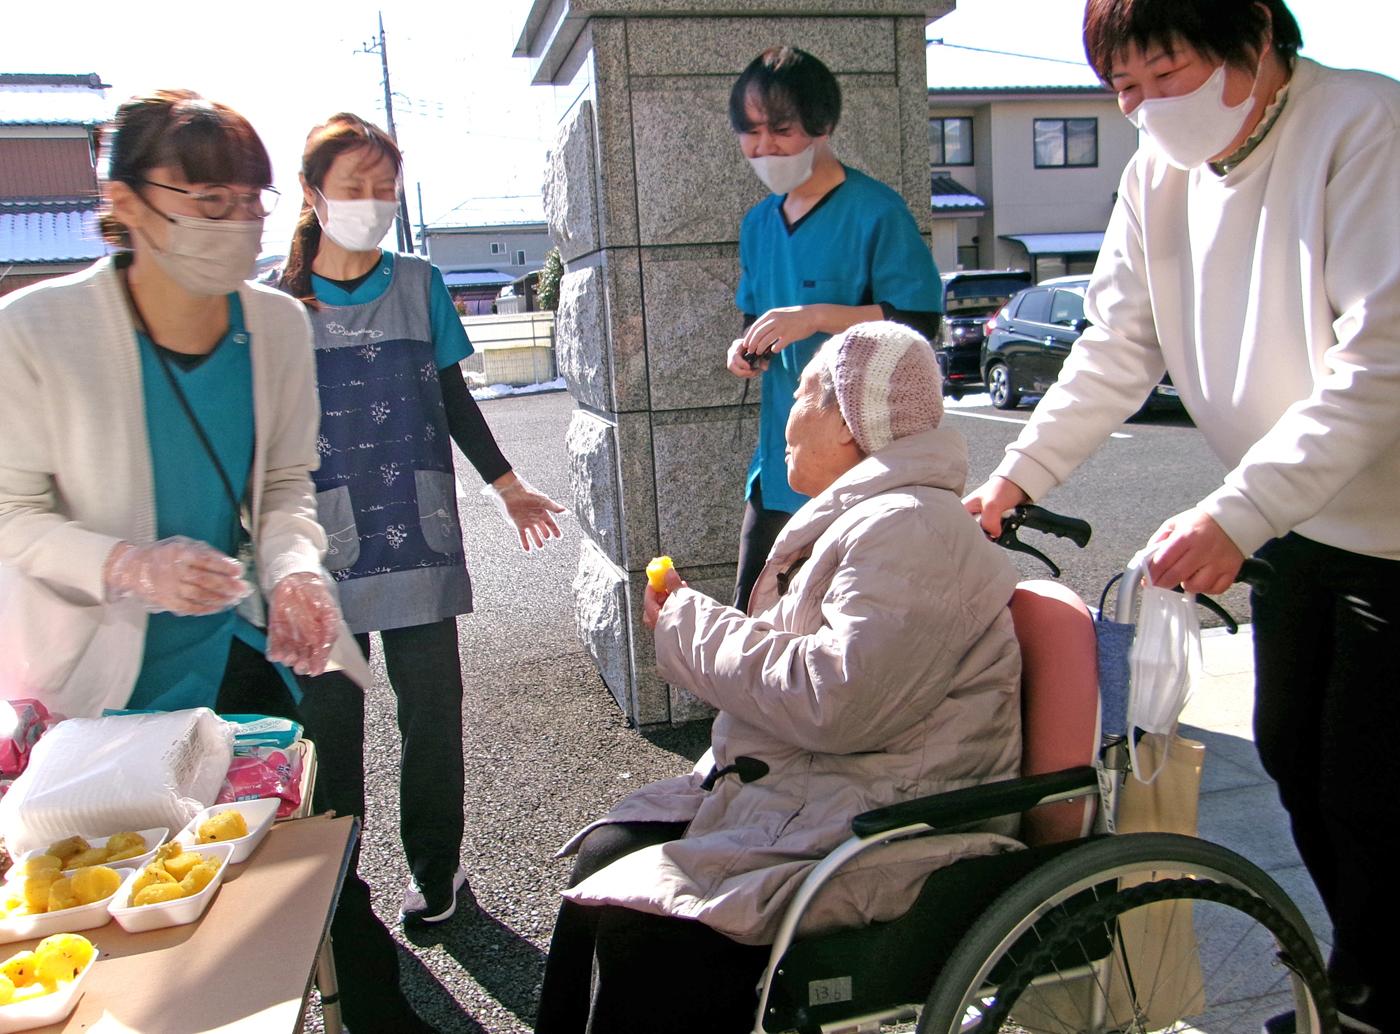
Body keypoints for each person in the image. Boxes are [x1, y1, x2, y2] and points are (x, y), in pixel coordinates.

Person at [962, 3, 1400, 1030]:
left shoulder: (1359, 125)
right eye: (1122, 90)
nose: (1145, 109)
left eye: (1164, 73)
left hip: (1386, 529)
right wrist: (1016, 474)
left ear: (1251, 35)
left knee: (1366, 785)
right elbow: (1116, 345)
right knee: (1293, 754)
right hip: (1294, 521)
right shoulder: (1156, 177)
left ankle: (1371, 996)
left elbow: (1379, 363)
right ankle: (1364, 981)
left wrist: (1234, 511)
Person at [0, 89, 437, 1032]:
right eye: (206, 202)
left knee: (291, 881)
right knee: (121, 923)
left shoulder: (276, 325)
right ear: (123, 202)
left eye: (250, 201)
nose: (234, 224)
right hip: (95, 689)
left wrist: (296, 573)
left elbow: (285, 487)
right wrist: (127, 563)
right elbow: (9, 515)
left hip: (239, 666)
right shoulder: (35, 332)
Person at [535, 322, 1023, 1034]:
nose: (786, 416)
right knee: (611, 853)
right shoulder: (874, 519)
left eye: (802, 395)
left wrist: (690, 628)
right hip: (835, 789)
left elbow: (836, 698)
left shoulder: (911, 528)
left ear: (855, 423)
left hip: (891, 822)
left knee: (651, 932)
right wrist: (690, 619)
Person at [279, 113, 565, 926]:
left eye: (383, 189)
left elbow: (452, 396)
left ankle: (436, 881)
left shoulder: (419, 281)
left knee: (433, 722)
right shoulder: (272, 303)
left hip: (419, 527)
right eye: (352, 188)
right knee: (330, 739)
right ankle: (343, 900)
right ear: (311, 194)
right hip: (315, 550)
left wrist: (507, 484)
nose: (371, 203)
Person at [725, 46, 943, 612]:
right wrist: (746, 350)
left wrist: (819, 317)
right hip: (782, 454)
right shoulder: (758, 223)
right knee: (757, 610)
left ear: (823, 126)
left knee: (845, 623)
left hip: (861, 459)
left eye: (781, 129)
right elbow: (758, 319)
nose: (764, 147)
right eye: (750, 132)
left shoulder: (877, 212)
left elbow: (919, 323)